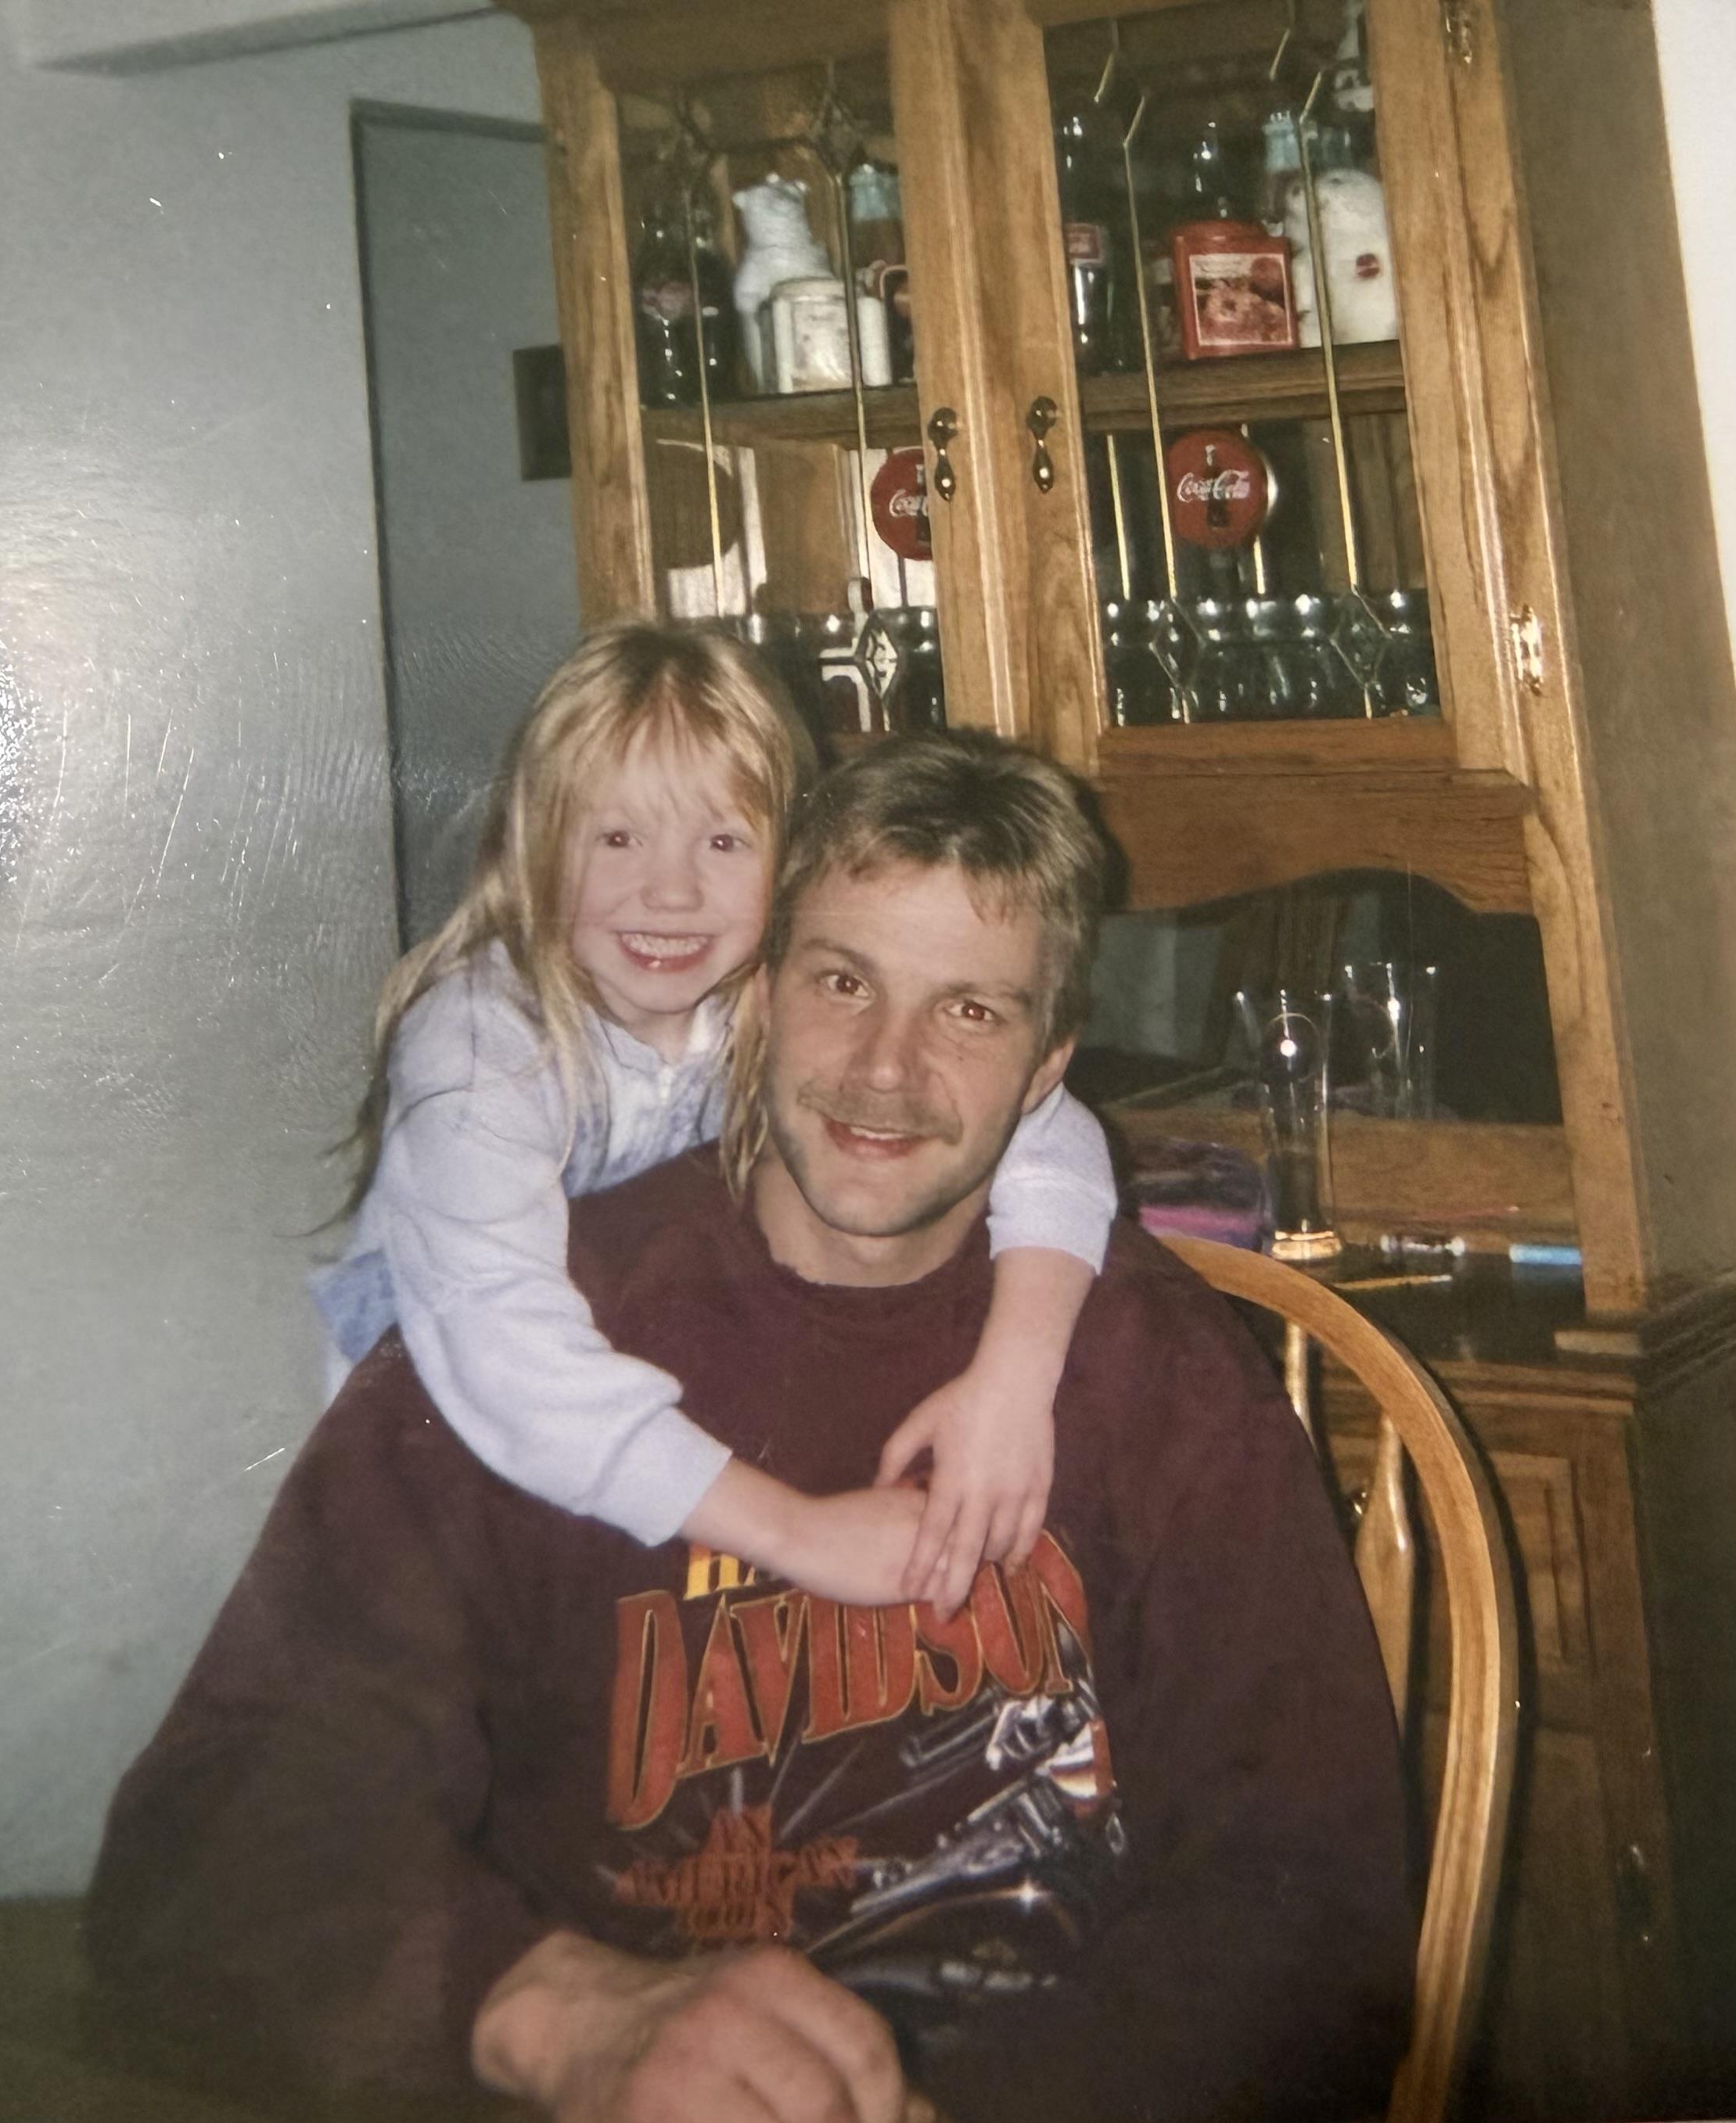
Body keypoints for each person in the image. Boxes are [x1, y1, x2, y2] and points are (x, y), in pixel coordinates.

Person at [88, 731, 1414, 2123]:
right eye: (843, 980)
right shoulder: (534, 1340)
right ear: (758, 994)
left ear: (1045, 1072)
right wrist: (568, 2013)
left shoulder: (1158, 1371)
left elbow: (1307, 1898)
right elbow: (220, 1830)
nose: (885, 1068)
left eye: (969, 1012)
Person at [311, 623, 1118, 1615]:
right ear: (532, 847)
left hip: (641, 1448)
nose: (672, 890)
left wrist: (1012, 1382)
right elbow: (500, 1349)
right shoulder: (483, 1046)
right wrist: (794, 1530)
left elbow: (1049, 1126)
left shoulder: (753, 997)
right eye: (618, 837)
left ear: (786, 862)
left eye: (724, 840)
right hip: (437, 1468)